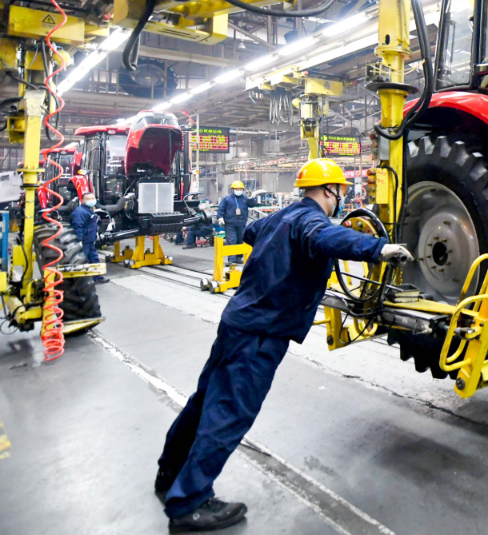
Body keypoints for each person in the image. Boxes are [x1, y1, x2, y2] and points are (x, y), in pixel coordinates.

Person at [154, 159, 411, 531]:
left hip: (237, 322)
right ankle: (189, 503)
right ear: (330, 192)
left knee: (203, 403)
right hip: (261, 335)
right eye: (340, 192)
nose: (341, 199)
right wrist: (379, 249)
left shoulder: (281, 217)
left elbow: (253, 232)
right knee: (229, 413)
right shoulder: (310, 222)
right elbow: (326, 238)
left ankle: (169, 474)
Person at [70, 190, 108, 284]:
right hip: (84, 241)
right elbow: (78, 227)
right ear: (82, 200)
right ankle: (81, 282)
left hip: (90, 241)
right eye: (88, 199)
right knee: (83, 260)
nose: (91, 200)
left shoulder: (89, 211)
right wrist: (79, 240)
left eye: (93, 198)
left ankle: (98, 277)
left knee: (94, 258)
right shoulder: (80, 212)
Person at [216, 181, 249, 263]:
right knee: (231, 241)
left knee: (240, 240)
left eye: (240, 189)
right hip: (230, 223)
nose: (239, 190)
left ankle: (238, 258)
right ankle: (231, 260)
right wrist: (220, 218)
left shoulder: (245, 198)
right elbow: (221, 209)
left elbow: (253, 204)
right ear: (232, 190)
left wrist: (251, 198)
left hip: (241, 223)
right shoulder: (226, 199)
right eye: (237, 189)